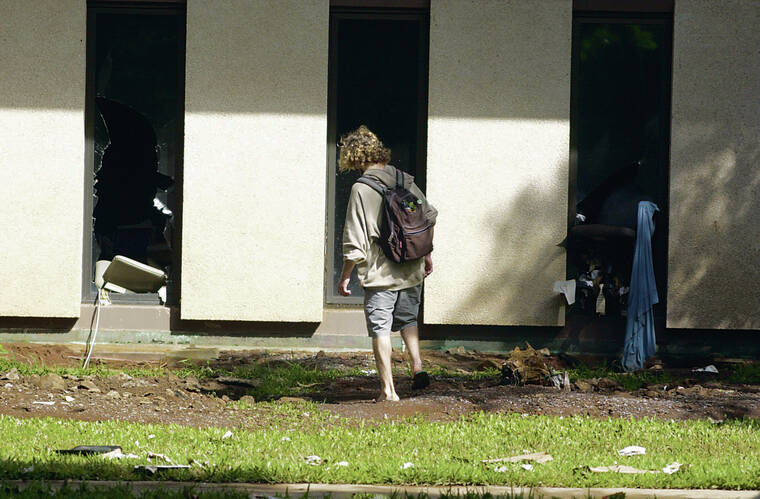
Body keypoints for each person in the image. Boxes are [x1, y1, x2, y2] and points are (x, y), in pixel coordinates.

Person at [337, 125, 438, 402]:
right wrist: (426, 254)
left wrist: (345, 275)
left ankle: (388, 390)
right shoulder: (403, 178)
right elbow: (428, 215)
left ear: (354, 157)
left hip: (381, 272)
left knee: (380, 327)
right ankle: (417, 366)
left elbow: (356, 238)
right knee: (408, 319)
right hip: (412, 267)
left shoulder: (361, 188)